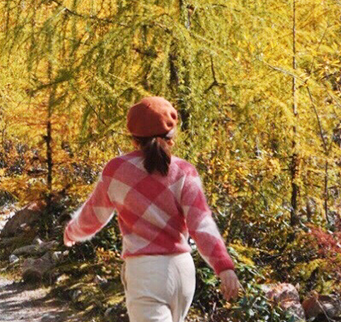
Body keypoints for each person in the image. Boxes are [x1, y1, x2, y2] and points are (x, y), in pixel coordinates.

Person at [63, 96, 242, 322]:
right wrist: (224, 267)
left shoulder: (116, 170)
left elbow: (93, 216)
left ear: (133, 139)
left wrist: (71, 232)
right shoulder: (185, 171)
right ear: (172, 137)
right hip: (183, 272)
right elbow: (201, 224)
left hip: (145, 273)